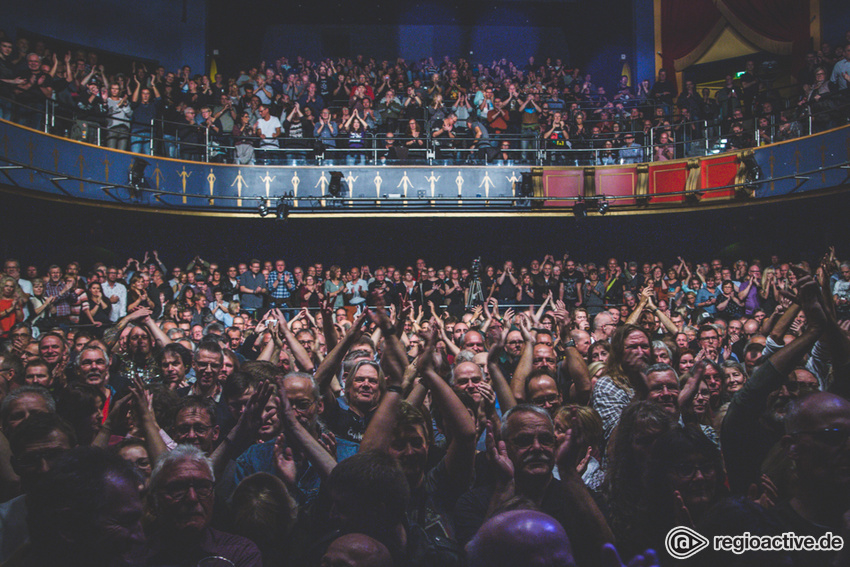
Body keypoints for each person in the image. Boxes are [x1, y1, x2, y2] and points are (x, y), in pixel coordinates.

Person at [143, 445, 262, 566]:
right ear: (153, 502)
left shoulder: (239, 553)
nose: (192, 498)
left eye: (202, 487)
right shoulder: (134, 557)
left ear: (214, 497)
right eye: (177, 489)